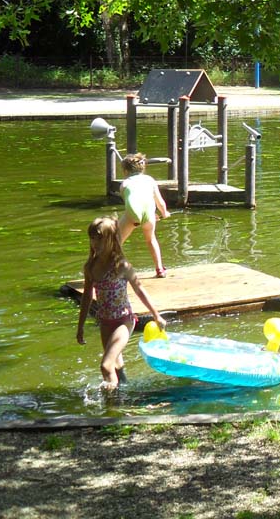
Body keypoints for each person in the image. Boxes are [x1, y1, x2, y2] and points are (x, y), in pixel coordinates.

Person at [76, 216, 166, 390]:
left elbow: (140, 290)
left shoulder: (121, 266)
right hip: (105, 321)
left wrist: (157, 316)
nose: (95, 243)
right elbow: (87, 297)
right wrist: (80, 327)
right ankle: (125, 392)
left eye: (99, 238)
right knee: (115, 366)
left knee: (106, 365)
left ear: (111, 240)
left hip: (124, 321)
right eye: (92, 238)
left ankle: (112, 409)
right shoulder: (90, 267)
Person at [118, 153, 170, 277]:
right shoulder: (150, 180)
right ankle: (159, 269)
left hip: (132, 215)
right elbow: (160, 202)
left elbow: (132, 204)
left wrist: (137, 219)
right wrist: (164, 213)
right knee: (151, 239)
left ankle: (115, 269)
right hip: (149, 215)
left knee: (116, 242)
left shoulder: (124, 184)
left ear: (125, 171)